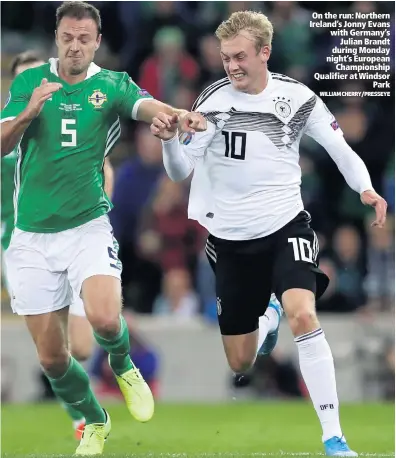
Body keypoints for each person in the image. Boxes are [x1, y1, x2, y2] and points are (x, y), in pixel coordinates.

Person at [151, 10, 387, 457]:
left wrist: (367, 189)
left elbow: (340, 149)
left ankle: (334, 438)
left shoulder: (297, 99)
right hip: (230, 241)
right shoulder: (213, 101)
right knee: (240, 362)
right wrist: (170, 139)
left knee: (305, 314)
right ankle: (268, 316)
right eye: (225, 58)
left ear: (265, 52)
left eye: (240, 56)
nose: (232, 66)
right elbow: (179, 172)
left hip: (285, 225)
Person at [0, 2, 205, 456]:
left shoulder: (109, 84)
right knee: (53, 358)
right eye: (67, 37)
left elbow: (145, 104)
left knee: (105, 319)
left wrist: (177, 115)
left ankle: (123, 362)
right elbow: (2, 144)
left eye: (84, 39)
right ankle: (96, 420)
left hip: (87, 227)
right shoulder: (29, 82)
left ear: (96, 42)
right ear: (57, 37)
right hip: (31, 238)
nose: (75, 46)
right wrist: (28, 112)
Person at [1, 49, 115, 440]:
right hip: (24, 246)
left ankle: (113, 348)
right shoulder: (9, 132)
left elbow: (102, 166)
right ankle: (84, 419)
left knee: (82, 347)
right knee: (52, 351)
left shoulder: (71, 120)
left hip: (74, 236)